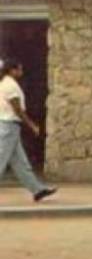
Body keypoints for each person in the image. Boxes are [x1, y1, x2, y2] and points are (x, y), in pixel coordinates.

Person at [0, 59, 57, 203]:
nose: (21, 71)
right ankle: (37, 189)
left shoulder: (4, 84)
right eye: (19, 69)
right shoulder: (10, 86)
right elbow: (18, 109)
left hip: (9, 126)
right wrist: (32, 125)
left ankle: (37, 190)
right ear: (12, 71)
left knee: (20, 163)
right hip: (9, 126)